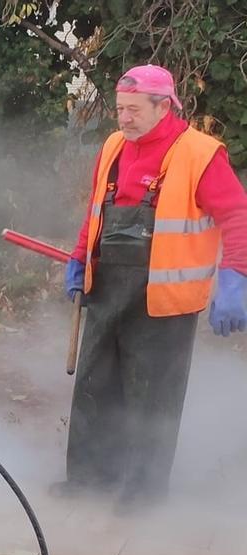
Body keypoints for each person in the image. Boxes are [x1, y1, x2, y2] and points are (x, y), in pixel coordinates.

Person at [55, 64, 247, 513]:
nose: (123, 118)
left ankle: (142, 497)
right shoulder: (113, 147)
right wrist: (80, 257)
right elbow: (96, 210)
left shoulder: (201, 154)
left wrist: (236, 274)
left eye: (133, 109)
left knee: (151, 397)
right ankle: (89, 480)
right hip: (106, 290)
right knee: (94, 387)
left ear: (164, 107)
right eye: (120, 109)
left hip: (165, 302)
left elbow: (238, 216)